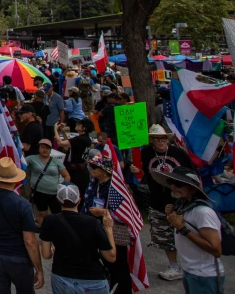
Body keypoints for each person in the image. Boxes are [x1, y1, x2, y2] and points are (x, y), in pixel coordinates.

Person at [0, 157, 43, 294]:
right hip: (19, 260)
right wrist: (39, 269)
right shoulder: (23, 204)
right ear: (16, 179)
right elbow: (30, 241)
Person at [132, 124, 194, 281]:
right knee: (164, 237)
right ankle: (174, 266)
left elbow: (193, 175)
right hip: (157, 200)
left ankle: (191, 265)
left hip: (181, 202)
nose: (160, 141)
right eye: (156, 138)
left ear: (167, 139)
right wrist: (135, 171)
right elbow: (141, 178)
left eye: (163, 138)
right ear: (151, 140)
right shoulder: (145, 154)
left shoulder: (179, 153)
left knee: (186, 234)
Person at [153, 166, 226, 294]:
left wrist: (182, 228)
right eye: (171, 182)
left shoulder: (202, 212)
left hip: (204, 276)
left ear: (192, 189)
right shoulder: (185, 207)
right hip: (190, 272)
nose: (173, 187)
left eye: (179, 184)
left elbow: (216, 249)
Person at [40, 183, 115, 294]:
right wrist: (108, 228)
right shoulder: (92, 223)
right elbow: (111, 257)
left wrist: (53, 248)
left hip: (62, 277)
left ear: (58, 200)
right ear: (79, 200)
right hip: (92, 279)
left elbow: (46, 255)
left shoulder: (49, 220)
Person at [82, 152, 132, 293]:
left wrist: (103, 212)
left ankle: (123, 290)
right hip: (95, 228)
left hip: (113, 230)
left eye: (95, 167)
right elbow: (86, 202)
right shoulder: (93, 183)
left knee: (119, 265)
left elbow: (125, 212)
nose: (91, 169)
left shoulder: (116, 187)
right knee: (104, 263)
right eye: (91, 166)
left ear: (104, 171)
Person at [26, 139, 71, 224]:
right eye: (42, 147)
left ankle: (58, 232)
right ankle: (44, 232)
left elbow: (66, 176)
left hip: (54, 194)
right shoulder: (31, 158)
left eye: (47, 148)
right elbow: (20, 163)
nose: (45, 150)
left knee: (58, 214)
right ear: (38, 148)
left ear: (51, 150)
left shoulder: (56, 161)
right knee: (42, 213)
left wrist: (64, 188)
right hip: (39, 192)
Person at [54, 119, 94, 194]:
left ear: (84, 128)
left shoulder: (81, 139)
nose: (76, 125)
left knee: (74, 192)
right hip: (79, 170)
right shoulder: (84, 138)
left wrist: (55, 130)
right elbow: (69, 144)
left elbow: (60, 143)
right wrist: (62, 130)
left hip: (77, 172)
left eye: (79, 124)